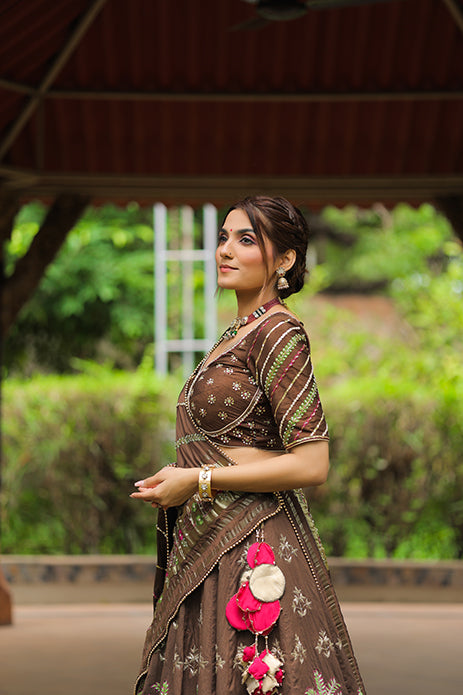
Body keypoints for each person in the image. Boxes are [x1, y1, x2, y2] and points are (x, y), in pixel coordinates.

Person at [131, 196, 366, 695]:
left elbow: (312, 462)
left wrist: (199, 478)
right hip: (208, 540)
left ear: (284, 260)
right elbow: (225, 440)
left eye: (245, 240)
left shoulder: (279, 332)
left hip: (253, 544)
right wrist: (182, 473)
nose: (225, 251)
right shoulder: (233, 337)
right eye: (222, 238)